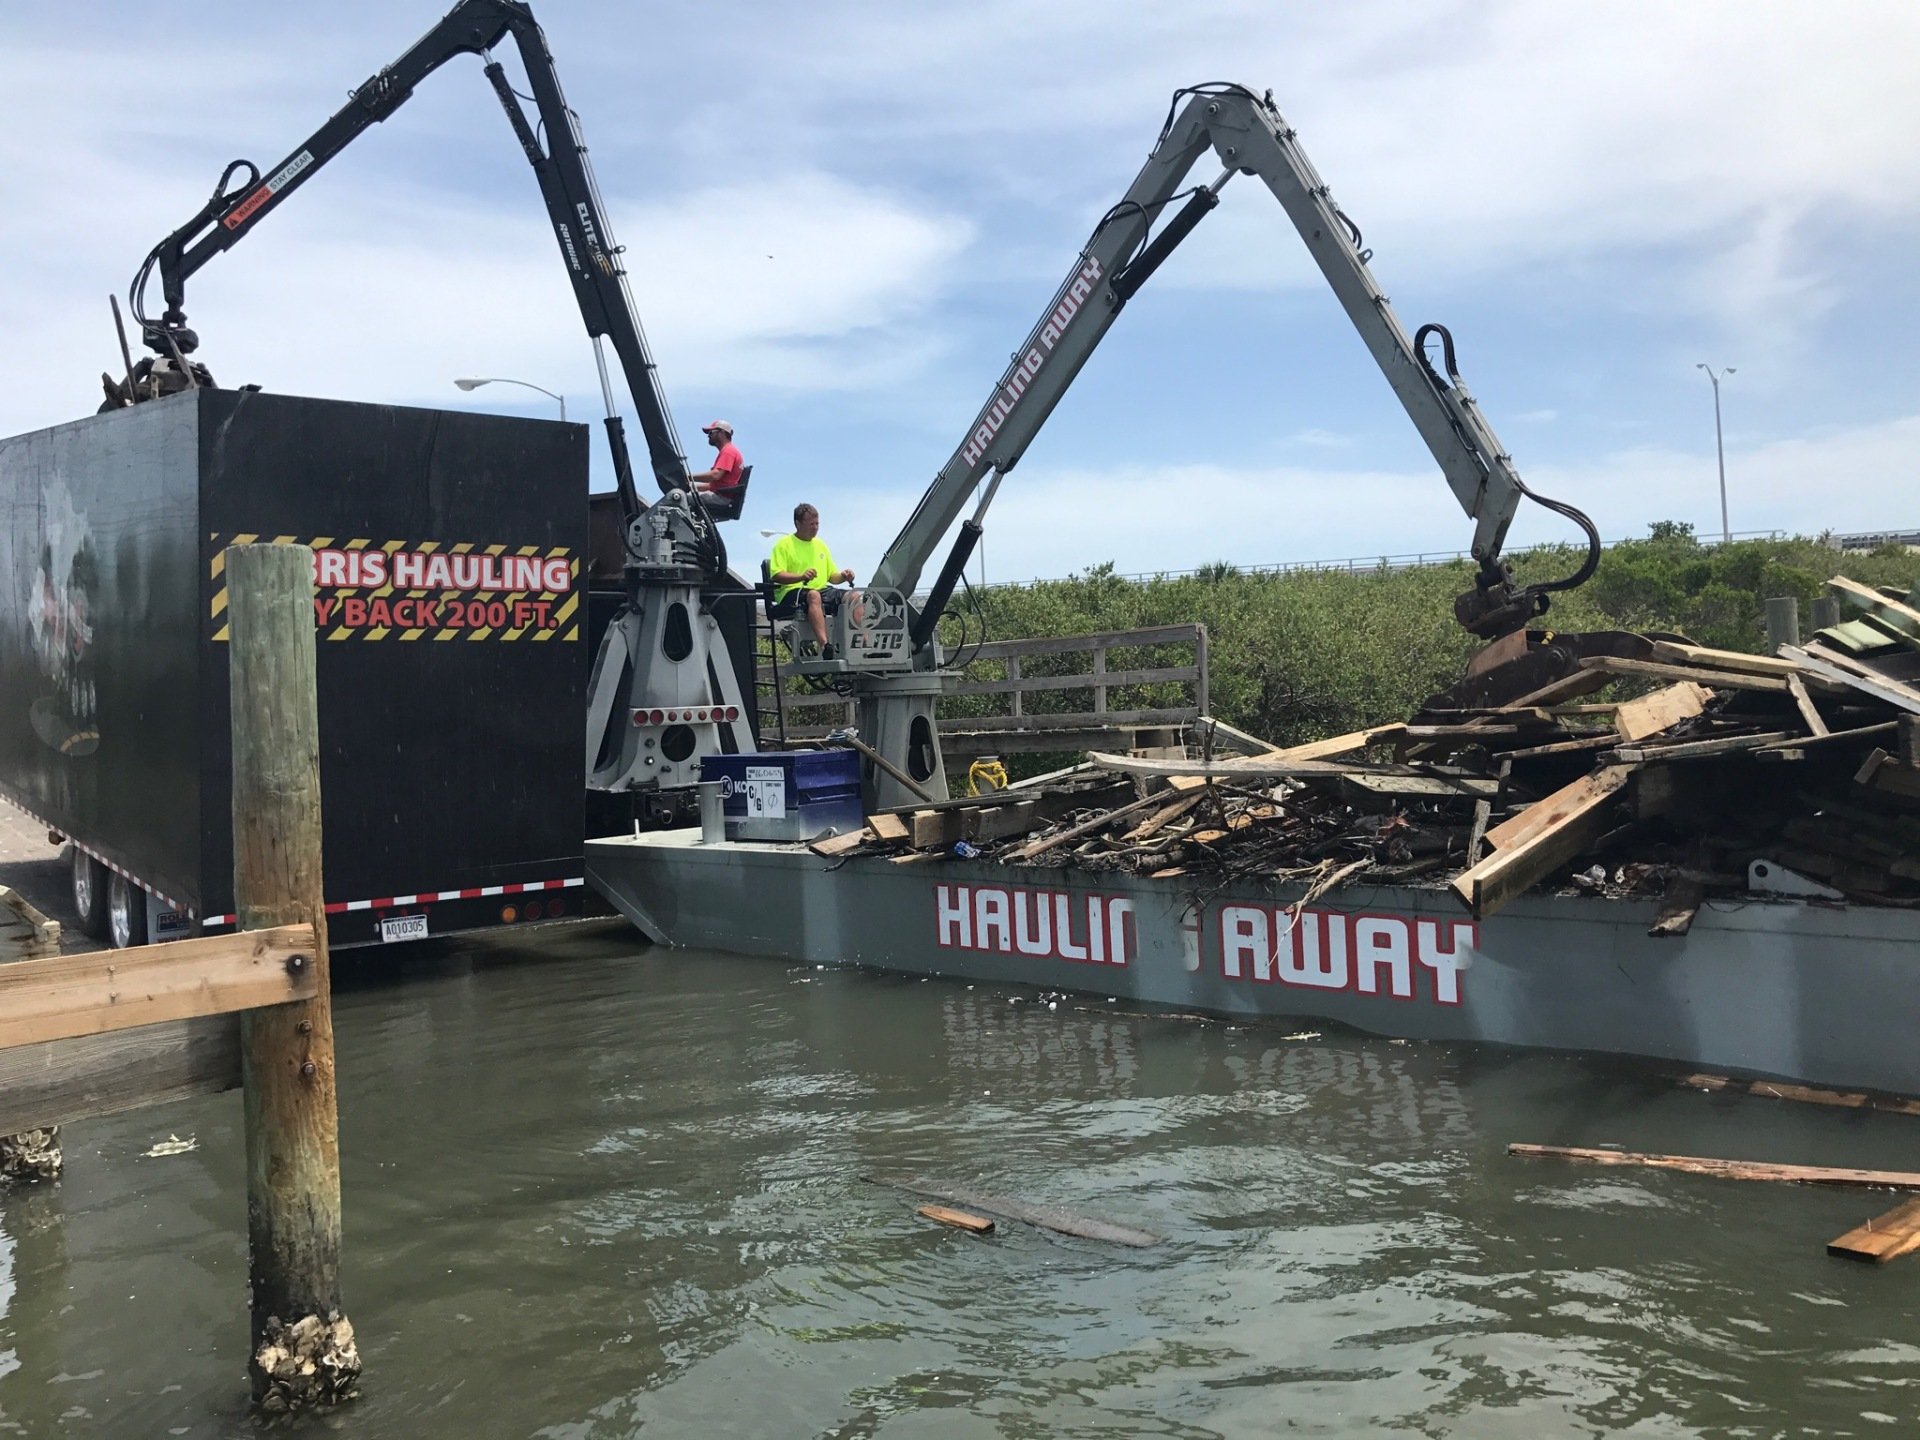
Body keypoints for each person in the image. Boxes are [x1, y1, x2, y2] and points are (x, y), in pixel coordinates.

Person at [769, 502, 858, 656]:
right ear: (798, 523)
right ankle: (825, 646)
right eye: (811, 524)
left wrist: (843, 576)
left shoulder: (821, 545)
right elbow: (777, 575)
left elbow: (832, 577)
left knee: (854, 597)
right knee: (814, 595)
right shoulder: (783, 545)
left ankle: (862, 644)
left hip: (821, 590)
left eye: (817, 524)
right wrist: (801, 576)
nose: (815, 527)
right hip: (792, 592)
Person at [689, 420, 744, 497]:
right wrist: (689, 487)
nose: (708, 436)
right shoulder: (729, 450)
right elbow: (712, 486)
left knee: (677, 498)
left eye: (711, 432)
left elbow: (715, 475)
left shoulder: (728, 451)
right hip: (720, 496)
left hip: (721, 498)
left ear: (721, 433)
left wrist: (688, 477)